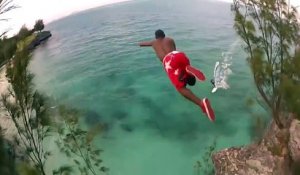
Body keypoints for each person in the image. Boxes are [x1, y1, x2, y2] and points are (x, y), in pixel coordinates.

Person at [139, 29, 215, 121]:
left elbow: (142, 44)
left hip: (168, 62)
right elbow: (173, 50)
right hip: (178, 55)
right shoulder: (170, 39)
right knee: (185, 76)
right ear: (164, 35)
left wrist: (139, 43)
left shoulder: (153, 42)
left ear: (156, 37)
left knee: (180, 88)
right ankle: (187, 71)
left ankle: (201, 104)